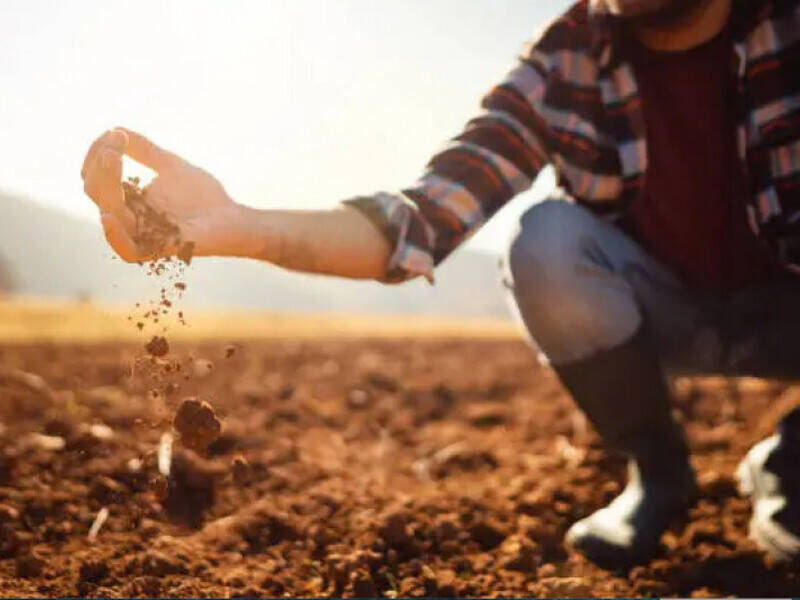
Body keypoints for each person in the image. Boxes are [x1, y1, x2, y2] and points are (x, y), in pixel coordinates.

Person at [82, 0, 800, 569]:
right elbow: (428, 214)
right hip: (667, 312)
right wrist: (244, 225)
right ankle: (658, 474)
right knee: (546, 241)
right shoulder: (565, 59)